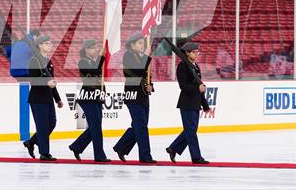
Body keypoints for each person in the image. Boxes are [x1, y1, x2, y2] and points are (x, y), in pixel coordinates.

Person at [113, 32, 156, 163]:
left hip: (143, 95)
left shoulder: (141, 56)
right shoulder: (128, 56)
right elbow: (137, 72)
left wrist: (150, 86)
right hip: (133, 95)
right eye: (139, 43)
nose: (142, 45)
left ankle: (121, 147)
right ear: (132, 45)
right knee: (141, 126)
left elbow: (146, 76)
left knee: (139, 125)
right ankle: (145, 156)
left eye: (143, 43)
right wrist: (147, 57)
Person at [166, 42, 210, 165]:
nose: (197, 54)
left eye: (197, 52)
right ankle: (196, 157)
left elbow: (199, 85)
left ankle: (173, 148)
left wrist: (204, 104)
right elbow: (183, 86)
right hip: (186, 103)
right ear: (187, 53)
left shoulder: (195, 66)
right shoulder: (182, 66)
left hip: (195, 103)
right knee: (191, 131)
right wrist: (198, 89)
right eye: (194, 52)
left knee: (190, 131)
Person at [69, 40, 111, 162]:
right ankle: (99, 155)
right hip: (87, 97)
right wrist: (102, 58)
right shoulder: (83, 61)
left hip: (96, 96)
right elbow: (93, 72)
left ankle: (77, 146)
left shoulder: (94, 61)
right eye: (93, 48)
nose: (96, 50)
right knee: (96, 127)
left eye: (96, 47)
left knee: (95, 127)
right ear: (86, 50)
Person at [23, 35, 63, 161]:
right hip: (37, 99)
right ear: (39, 45)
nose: (50, 45)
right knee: (43, 126)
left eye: (50, 43)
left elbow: (52, 82)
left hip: (48, 98)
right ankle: (44, 153)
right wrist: (46, 83)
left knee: (52, 123)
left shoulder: (48, 61)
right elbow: (33, 81)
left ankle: (31, 142)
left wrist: (57, 99)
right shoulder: (34, 60)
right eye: (47, 43)